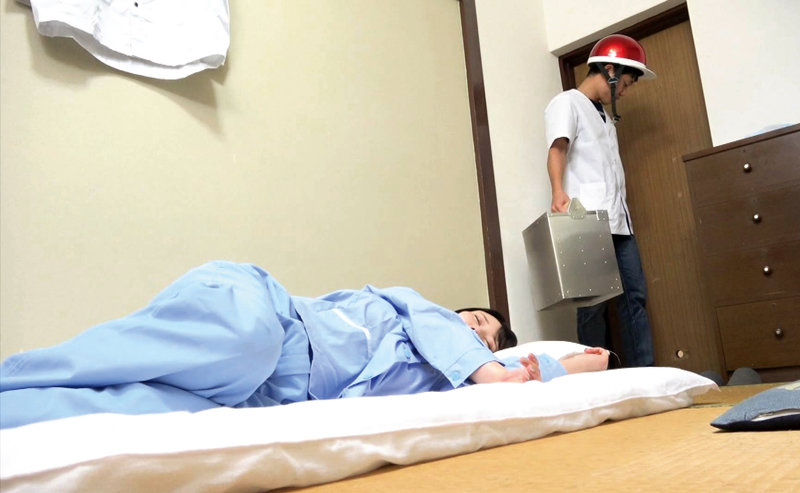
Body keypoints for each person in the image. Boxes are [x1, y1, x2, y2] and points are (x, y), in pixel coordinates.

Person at [0, 260, 609, 429]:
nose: (477, 333)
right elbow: (468, 348)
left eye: (488, 337)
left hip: (267, 396)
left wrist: (554, 364)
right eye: (474, 319)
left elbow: (583, 363)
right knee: (240, 343)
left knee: (120, 412)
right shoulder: (407, 306)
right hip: (263, 317)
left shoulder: (447, 378)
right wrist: (486, 365)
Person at [544, 34, 656, 367]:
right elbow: (557, 148)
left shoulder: (605, 117)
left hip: (620, 221)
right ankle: (594, 376)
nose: (624, 92)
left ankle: (643, 372)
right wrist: (557, 191)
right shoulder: (567, 102)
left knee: (635, 297)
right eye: (625, 84)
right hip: (586, 218)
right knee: (592, 305)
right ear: (610, 70)